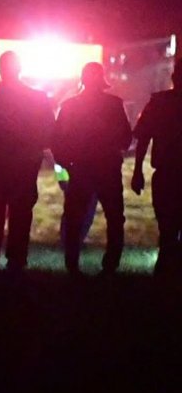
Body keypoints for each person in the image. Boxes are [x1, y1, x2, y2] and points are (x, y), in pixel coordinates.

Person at [0, 50, 55, 273]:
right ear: (19, 69)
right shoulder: (36, 99)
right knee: (21, 214)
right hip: (23, 166)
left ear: (1, 69)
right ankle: (16, 260)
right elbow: (48, 132)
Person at [51, 62, 133, 277]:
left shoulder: (70, 106)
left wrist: (66, 163)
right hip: (108, 168)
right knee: (115, 217)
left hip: (80, 169)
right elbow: (126, 138)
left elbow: (57, 140)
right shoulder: (114, 105)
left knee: (74, 217)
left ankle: (72, 265)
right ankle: (110, 265)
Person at [131, 61, 182, 278]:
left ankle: (164, 271)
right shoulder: (159, 102)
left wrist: (137, 171)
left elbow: (143, 137)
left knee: (167, 226)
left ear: (173, 77)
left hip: (166, 173)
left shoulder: (159, 102)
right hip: (169, 172)